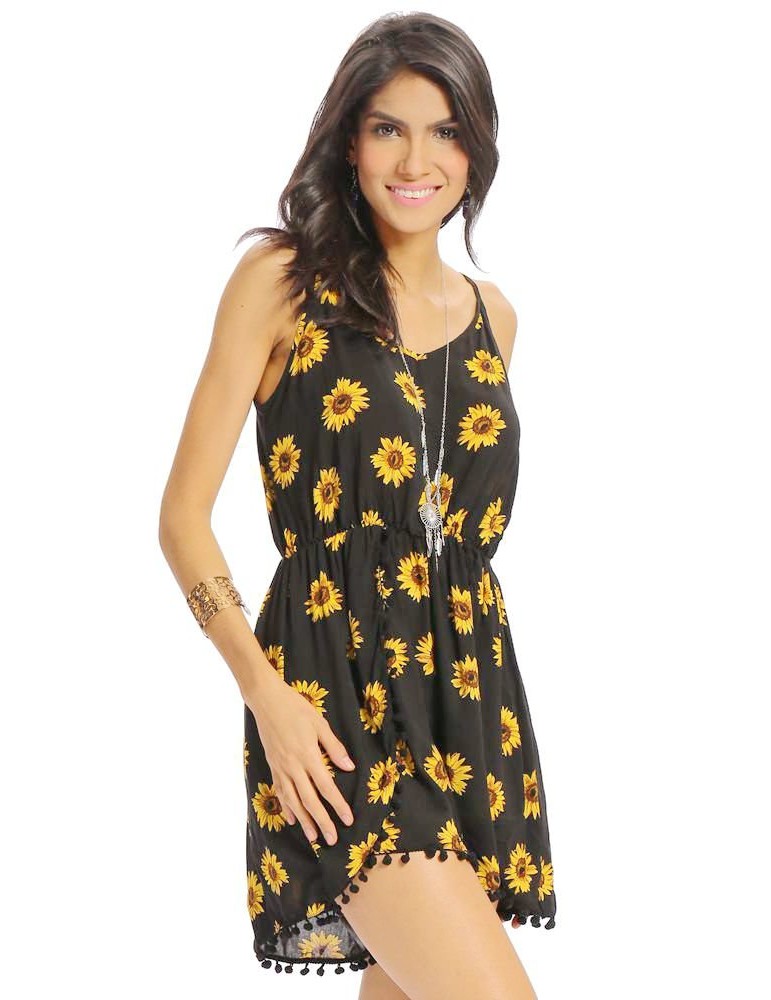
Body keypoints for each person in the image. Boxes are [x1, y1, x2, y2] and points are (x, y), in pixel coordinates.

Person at [159, 12, 556, 999]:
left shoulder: (494, 318)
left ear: (477, 147)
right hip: (334, 709)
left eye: (445, 131)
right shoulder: (281, 284)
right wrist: (267, 697)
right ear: (348, 140)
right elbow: (182, 517)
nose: (417, 161)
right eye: (388, 129)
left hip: (466, 705)